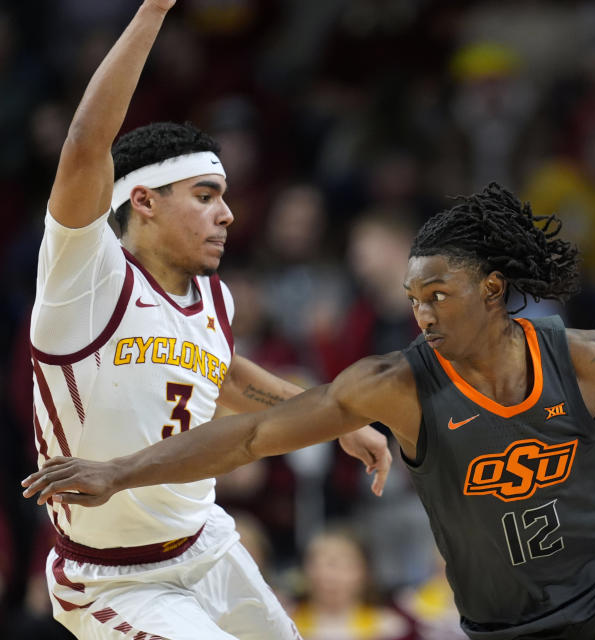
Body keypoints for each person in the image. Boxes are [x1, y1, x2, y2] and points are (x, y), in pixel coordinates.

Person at [23, 182, 595, 640]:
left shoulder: (584, 358)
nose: (423, 313)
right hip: (510, 625)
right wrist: (118, 470)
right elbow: (250, 432)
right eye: (412, 297)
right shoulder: (395, 383)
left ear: (493, 288)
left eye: (437, 293)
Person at [26, 2, 390, 638]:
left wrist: (332, 414)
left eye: (223, 198)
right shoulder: (85, 280)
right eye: (204, 197)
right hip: (115, 578)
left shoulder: (213, 299)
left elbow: (217, 376)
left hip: (208, 548)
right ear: (142, 200)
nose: (227, 215)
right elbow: (86, 145)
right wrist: (154, 10)